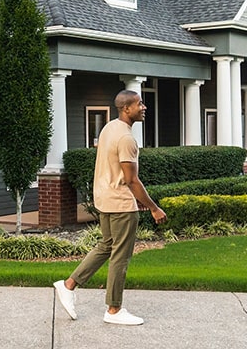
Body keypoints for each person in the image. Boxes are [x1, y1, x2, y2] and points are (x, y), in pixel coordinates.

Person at [54, 90, 167, 325]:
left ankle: (68, 285)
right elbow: (132, 180)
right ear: (126, 108)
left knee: (106, 246)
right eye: (139, 104)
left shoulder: (109, 128)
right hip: (120, 204)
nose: (144, 107)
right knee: (120, 257)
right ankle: (114, 310)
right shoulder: (126, 139)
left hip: (104, 199)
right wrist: (154, 207)